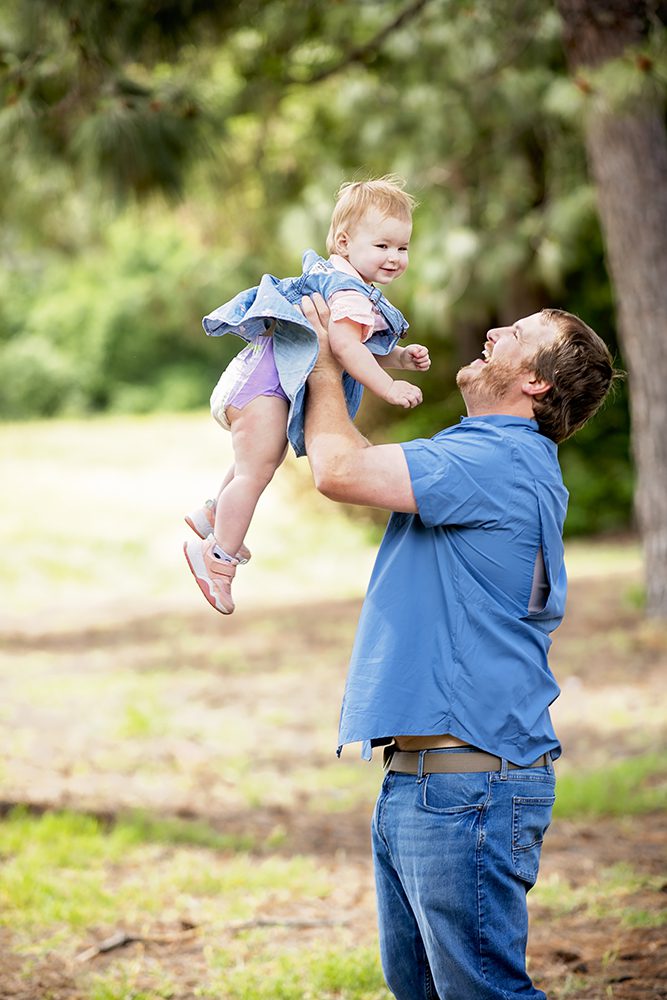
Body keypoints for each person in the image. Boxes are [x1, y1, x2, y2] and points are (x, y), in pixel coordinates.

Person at [301, 293, 615, 1000]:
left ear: (535, 382)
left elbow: (336, 469)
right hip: (431, 780)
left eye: (519, 333)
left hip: (463, 787)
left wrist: (325, 358)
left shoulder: (495, 460)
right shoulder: (490, 458)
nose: (494, 328)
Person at [183, 177, 431, 615]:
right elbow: (346, 346)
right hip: (262, 388)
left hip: (257, 382)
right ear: (344, 241)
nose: (394, 258)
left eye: (403, 248)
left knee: (259, 461)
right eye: (383, 246)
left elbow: (351, 344)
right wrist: (388, 384)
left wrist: (396, 358)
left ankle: (212, 515)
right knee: (255, 473)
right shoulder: (350, 293)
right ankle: (216, 556)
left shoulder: (337, 276)